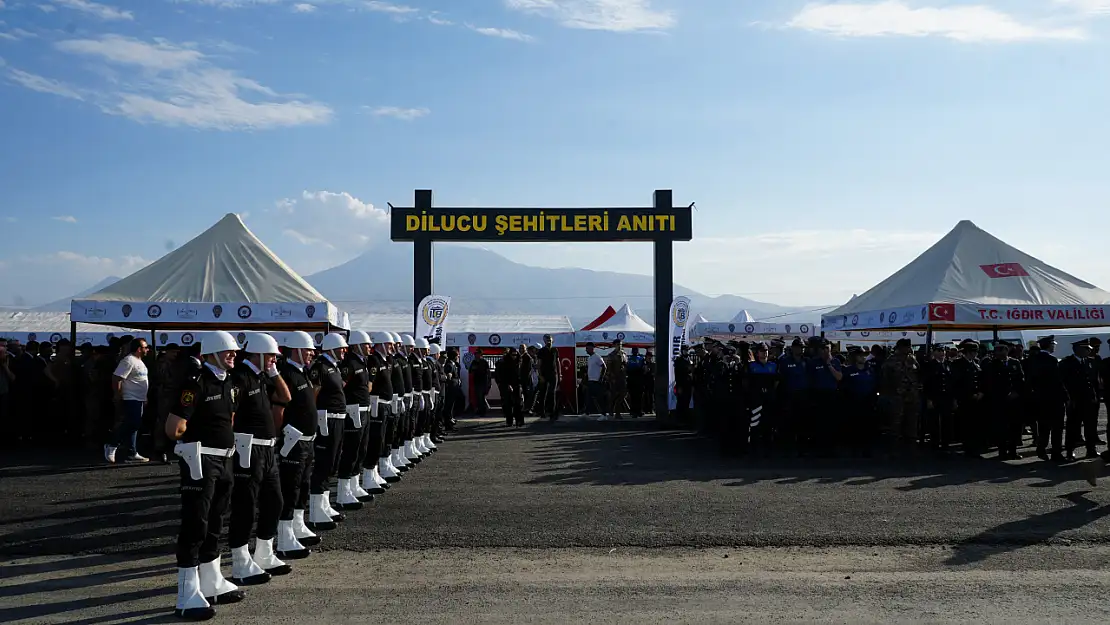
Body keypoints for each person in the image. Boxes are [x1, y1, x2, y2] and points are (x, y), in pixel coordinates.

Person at [166, 331, 245, 620]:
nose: (233, 355)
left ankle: (211, 581)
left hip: (224, 460)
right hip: (201, 460)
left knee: (215, 522)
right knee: (195, 524)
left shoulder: (230, 384)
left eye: (234, 352)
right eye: (228, 351)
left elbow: (230, 418)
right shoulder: (196, 384)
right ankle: (186, 595)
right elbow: (174, 427)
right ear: (211, 353)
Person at [228, 332, 293, 585]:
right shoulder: (241, 378)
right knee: (245, 505)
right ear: (259, 353)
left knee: (274, 501)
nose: (274, 361)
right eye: (271, 357)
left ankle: (264, 552)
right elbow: (230, 414)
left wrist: (275, 373)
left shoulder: (262, 378)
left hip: (267, 449)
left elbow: (286, 398)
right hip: (248, 449)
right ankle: (240, 561)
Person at [273, 331, 320, 559]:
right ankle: (284, 536)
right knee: (290, 488)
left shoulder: (303, 373)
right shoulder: (287, 374)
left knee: (303, 485)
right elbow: (278, 409)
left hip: (307, 441)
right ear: (297, 350)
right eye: (308, 349)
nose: (312, 353)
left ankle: (297, 526)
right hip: (293, 441)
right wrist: (283, 433)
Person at [307, 333, 349, 530]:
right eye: (341, 348)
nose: (344, 351)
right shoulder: (320, 367)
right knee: (323, 463)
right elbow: (313, 395)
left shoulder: (333, 366)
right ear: (331, 348)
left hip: (337, 419)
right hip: (326, 420)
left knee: (332, 462)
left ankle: (324, 504)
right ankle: (316, 511)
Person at [335, 330, 374, 511]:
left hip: (364, 410)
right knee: (351, 450)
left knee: (361, 449)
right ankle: (343, 492)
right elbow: (340, 386)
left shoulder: (362, 362)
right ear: (357, 345)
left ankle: (353, 485)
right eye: (366, 344)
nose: (369, 347)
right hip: (353, 411)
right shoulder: (349, 363)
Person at [107, 338, 151, 464]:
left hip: (139, 398)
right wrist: (118, 395)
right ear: (139, 349)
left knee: (135, 426)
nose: (147, 349)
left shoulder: (140, 362)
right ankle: (112, 444)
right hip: (130, 397)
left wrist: (145, 396)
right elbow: (117, 378)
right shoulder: (128, 360)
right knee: (131, 423)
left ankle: (132, 452)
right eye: (145, 347)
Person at [366, 331, 399, 486]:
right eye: (389, 344)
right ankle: (369, 474)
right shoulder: (374, 360)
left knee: (384, 438)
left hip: (385, 403)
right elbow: (370, 384)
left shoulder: (386, 360)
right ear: (381, 344)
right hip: (377, 404)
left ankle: (375, 471)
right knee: (376, 439)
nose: (392, 347)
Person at [1027, 336, 1067, 461]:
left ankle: (1041, 449)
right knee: (1057, 427)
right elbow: (1058, 380)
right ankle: (1056, 452)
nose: (1054, 346)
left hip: (1040, 398)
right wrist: (1065, 396)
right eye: (1053, 344)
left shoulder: (1033, 359)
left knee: (1043, 427)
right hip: (1054, 398)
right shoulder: (1052, 360)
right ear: (1049, 345)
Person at [1060, 338, 1100, 460]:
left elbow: (1094, 381)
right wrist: (1068, 399)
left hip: (1089, 400)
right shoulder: (1066, 363)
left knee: (1091, 426)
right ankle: (1069, 451)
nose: (1089, 351)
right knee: (1073, 427)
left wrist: (1095, 396)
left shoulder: (1090, 362)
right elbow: (1063, 382)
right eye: (1086, 349)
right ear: (1078, 349)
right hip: (1075, 400)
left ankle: (1091, 450)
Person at [840, 346, 877, 456]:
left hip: (868, 402)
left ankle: (867, 448)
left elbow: (875, 384)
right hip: (854, 402)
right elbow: (844, 386)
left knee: (867, 426)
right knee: (854, 426)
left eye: (864, 355)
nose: (863, 357)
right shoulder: (848, 370)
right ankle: (854, 448)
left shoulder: (870, 369)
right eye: (860, 355)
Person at [496, 347, 523, 427]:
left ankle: (518, 420)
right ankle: (509, 421)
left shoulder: (518, 361)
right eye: (512, 355)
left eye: (515, 355)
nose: (514, 356)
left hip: (517, 384)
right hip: (507, 384)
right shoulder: (504, 363)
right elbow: (502, 375)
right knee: (508, 404)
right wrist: (507, 384)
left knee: (518, 403)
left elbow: (520, 374)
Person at [535, 334, 560, 420]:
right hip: (544, 374)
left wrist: (559, 374)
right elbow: (539, 364)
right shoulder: (541, 351)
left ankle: (552, 413)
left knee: (552, 393)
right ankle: (542, 412)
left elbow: (558, 362)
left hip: (553, 374)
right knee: (543, 393)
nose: (548, 340)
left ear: (552, 340)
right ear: (544, 341)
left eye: (550, 339)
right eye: (547, 339)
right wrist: (540, 375)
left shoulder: (555, 350)